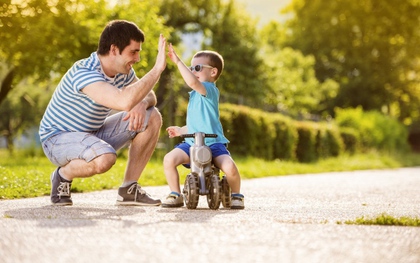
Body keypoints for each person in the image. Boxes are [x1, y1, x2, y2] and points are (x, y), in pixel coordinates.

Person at [39, 20, 167, 206]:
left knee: (152, 116)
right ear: (114, 49)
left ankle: (129, 189)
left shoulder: (123, 71)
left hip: (92, 133)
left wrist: (142, 103)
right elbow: (123, 101)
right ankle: (62, 175)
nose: (137, 59)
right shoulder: (84, 72)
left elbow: (150, 96)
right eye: (133, 52)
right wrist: (157, 70)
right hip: (57, 139)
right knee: (105, 159)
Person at [161, 43, 245, 209]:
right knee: (169, 159)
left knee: (230, 167)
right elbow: (196, 124)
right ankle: (175, 193)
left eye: (197, 67)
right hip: (192, 143)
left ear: (213, 72)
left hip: (213, 145)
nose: (193, 71)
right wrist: (181, 130)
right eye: (191, 68)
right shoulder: (194, 95)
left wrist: (178, 62)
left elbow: (192, 82)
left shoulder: (209, 90)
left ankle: (236, 195)